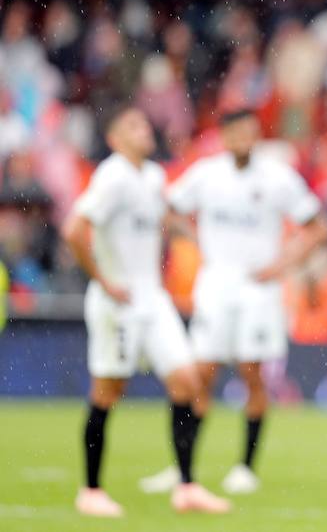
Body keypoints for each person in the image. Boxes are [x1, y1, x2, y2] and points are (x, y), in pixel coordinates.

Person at [139, 109, 327, 495]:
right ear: (224, 137)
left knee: (252, 375)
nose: (241, 140)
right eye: (233, 133)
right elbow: (169, 210)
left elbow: (319, 227)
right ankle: (184, 469)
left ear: (256, 135)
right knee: (200, 375)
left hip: (258, 290)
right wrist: (193, 240)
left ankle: (245, 466)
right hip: (216, 285)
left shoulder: (277, 177)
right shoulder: (207, 174)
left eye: (247, 132)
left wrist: (282, 264)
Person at [62, 107, 230, 517]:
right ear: (116, 139)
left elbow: (164, 219)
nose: (144, 129)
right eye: (133, 126)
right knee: (108, 393)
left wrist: (196, 237)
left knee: (187, 382)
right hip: (117, 302)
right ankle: (91, 490)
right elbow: (74, 230)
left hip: (153, 299)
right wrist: (103, 280)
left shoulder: (152, 176)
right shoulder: (112, 176)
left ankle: (186, 486)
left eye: (144, 122)